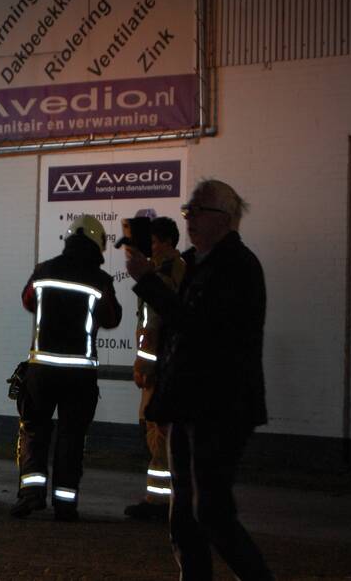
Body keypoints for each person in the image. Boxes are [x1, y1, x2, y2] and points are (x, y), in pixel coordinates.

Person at [125, 180, 273, 580]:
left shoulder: (237, 267)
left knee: (210, 512)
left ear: (223, 219)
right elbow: (178, 333)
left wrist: (149, 282)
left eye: (196, 211)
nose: (187, 218)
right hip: (190, 402)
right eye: (187, 211)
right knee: (184, 515)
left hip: (220, 406)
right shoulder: (197, 264)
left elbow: (200, 328)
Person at [11, 215, 121, 521]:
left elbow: (28, 301)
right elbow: (112, 318)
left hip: (41, 370)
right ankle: (65, 502)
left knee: (34, 430)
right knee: (71, 436)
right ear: (98, 244)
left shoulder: (43, 271)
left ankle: (31, 494)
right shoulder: (100, 280)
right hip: (80, 374)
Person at [124, 216, 185, 522]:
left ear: (159, 241)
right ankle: (169, 498)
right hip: (171, 362)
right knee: (163, 431)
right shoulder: (180, 267)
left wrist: (142, 365)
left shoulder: (160, 270)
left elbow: (152, 323)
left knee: (156, 432)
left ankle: (158, 501)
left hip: (158, 366)